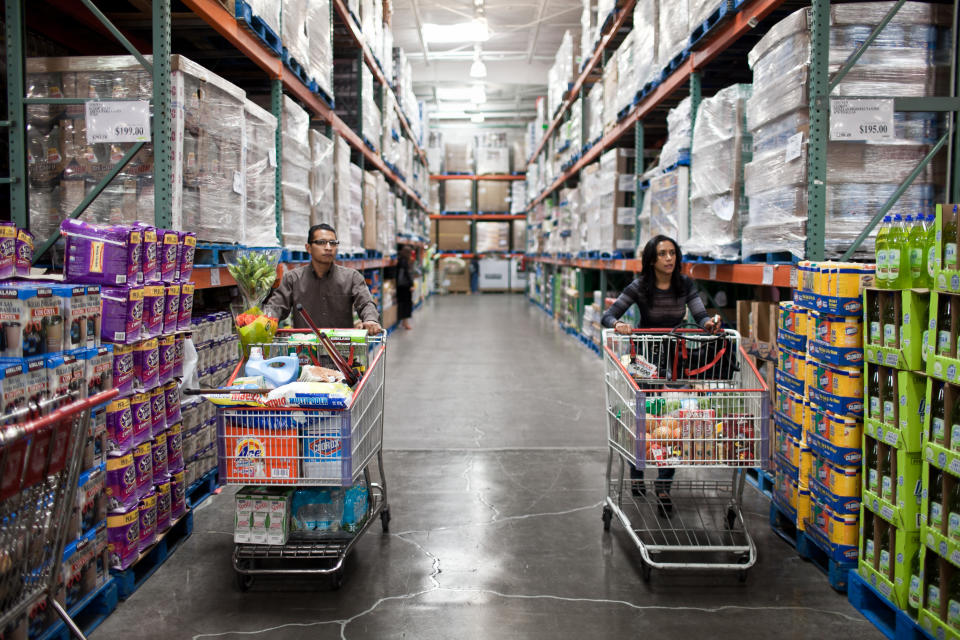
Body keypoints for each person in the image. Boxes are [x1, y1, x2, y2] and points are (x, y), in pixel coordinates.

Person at [601, 235, 721, 515]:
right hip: (644, 357)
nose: (670, 258)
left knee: (673, 419)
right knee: (647, 417)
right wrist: (618, 324)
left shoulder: (685, 285)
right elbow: (608, 315)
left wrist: (710, 323)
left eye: (673, 253)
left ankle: (664, 486)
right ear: (652, 260)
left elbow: (700, 316)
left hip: (675, 356)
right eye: (663, 254)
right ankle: (637, 467)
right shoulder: (640, 287)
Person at [264, 223, 383, 334]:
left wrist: (371, 320)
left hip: (341, 351)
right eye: (321, 242)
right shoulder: (292, 279)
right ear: (308, 248)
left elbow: (366, 303)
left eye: (333, 243)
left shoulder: (352, 277)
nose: (328, 247)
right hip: (305, 351)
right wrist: (266, 320)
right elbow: (277, 306)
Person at [396, 245, 417, 330]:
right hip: (405, 287)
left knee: (402, 304)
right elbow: (406, 275)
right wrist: (411, 285)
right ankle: (405, 323)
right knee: (406, 304)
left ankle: (404, 322)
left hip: (400, 287)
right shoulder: (404, 262)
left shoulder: (400, 260)